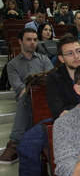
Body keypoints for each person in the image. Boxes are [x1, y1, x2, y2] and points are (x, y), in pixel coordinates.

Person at [0, 28, 53, 164]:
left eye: (35, 40)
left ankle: (15, 142)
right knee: (25, 97)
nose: (32, 42)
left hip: (43, 95)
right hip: (25, 96)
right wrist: (29, 90)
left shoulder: (44, 59)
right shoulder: (12, 65)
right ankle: (18, 140)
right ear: (20, 42)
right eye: (28, 39)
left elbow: (50, 79)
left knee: (31, 97)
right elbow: (18, 87)